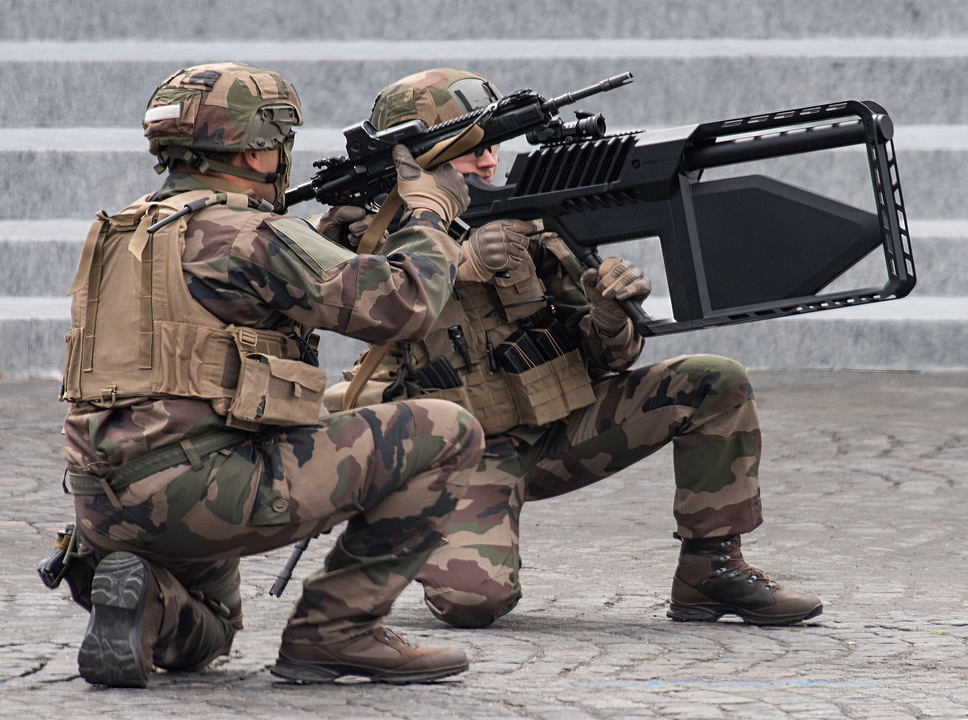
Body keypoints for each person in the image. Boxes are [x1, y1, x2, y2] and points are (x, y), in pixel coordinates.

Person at [326, 68, 823, 630]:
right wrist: (450, 264)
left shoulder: (526, 222)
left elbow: (607, 358)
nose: (489, 162)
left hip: (559, 432)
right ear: (410, 165)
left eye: (491, 146)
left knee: (713, 381)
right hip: (460, 456)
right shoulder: (357, 240)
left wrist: (610, 317)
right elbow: (355, 331)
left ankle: (710, 572)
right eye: (468, 153)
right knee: (472, 603)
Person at [53, 62, 493, 688]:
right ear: (262, 151)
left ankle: (145, 597)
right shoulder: (254, 234)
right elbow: (403, 306)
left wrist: (328, 239)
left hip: (103, 499)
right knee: (447, 430)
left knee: (213, 627)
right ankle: (336, 634)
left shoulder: (125, 229)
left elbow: (227, 293)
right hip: (201, 491)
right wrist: (428, 215)